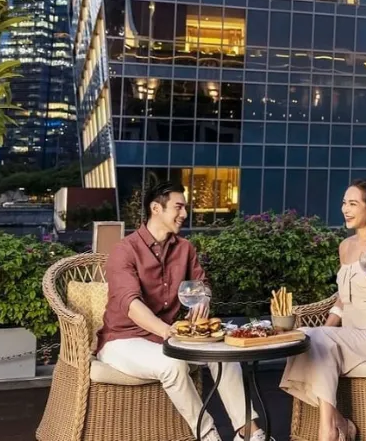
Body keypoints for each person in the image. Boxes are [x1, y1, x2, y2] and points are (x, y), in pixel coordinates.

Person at [96, 181, 265, 441]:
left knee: (225, 356)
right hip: (123, 340)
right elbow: (131, 305)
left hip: (169, 339)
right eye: (178, 207)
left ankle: (249, 432)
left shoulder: (185, 249)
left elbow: (202, 285)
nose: (184, 214)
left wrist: (203, 301)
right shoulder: (124, 250)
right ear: (155, 208)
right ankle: (208, 436)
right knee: (171, 365)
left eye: (184, 207)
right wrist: (166, 330)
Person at [280, 179, 366, 441]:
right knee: (306, 338)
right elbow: (343, 300)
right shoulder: (345, 247)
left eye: (353, 203)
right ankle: (339, 425)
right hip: (350, 336)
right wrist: (323, 331)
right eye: (344, 203)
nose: (345, 209)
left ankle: (328, 431)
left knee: (316, 339)